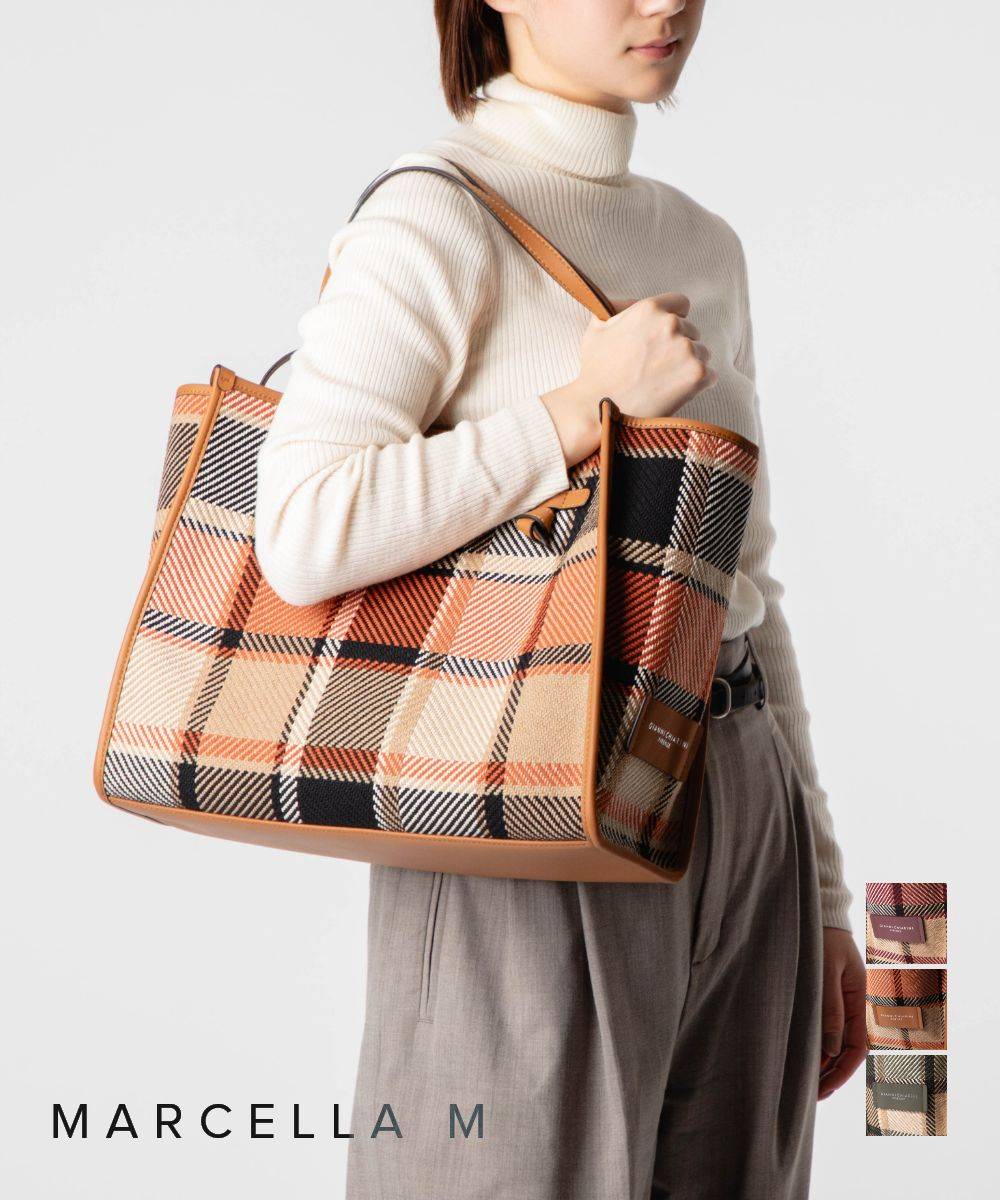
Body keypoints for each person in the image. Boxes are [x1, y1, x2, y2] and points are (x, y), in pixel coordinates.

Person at [254, 2, 866, 1196]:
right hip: (525, 813)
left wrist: (828, 895)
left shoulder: (704, 243)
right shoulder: (435, 214)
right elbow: (304, 528)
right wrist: (580, 409)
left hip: (744, 797)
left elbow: (746, 579)